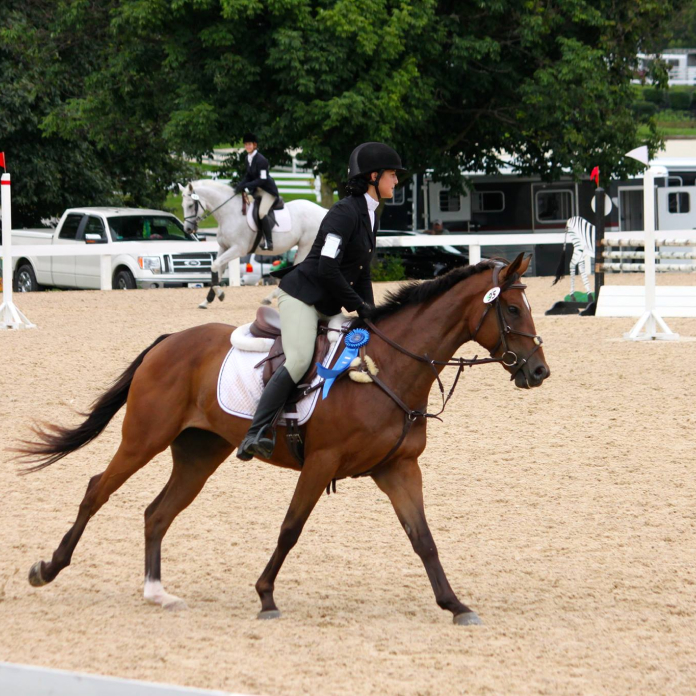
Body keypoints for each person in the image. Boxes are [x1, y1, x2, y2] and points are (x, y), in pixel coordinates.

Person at [237, 141, 405, 461]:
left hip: (328, 302)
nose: (396, 181)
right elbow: (328, 267)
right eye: (392, 175)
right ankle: (256, 431)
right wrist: (358, 304)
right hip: (303, 296)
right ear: (373, 176)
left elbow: (361, 273)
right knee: (300, 359)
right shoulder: (344, 212)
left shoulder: (371, 216)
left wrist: (372, 314)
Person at [234, 132, 280, 250]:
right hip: (257, 190)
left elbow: (262, 180)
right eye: (246, 144)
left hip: (268, 191)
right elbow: (248, 176)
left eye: (249, 144)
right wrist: (240, 185)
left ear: (254, 145)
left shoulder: (261, 160)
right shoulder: (248, 158)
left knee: (261, 213)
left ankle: (269, 242)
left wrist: (247, 185)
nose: (247, 146)